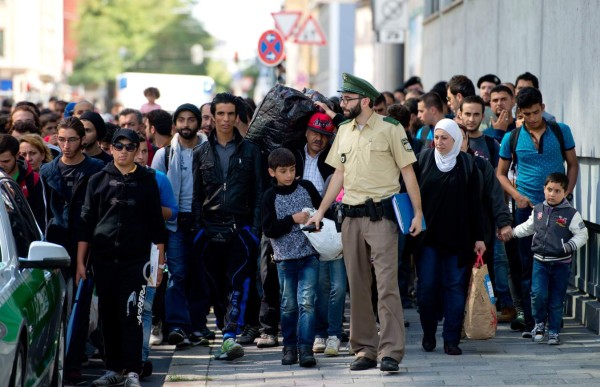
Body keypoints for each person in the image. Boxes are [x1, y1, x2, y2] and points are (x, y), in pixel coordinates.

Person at [307, 73, 423, 372]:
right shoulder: (343, 130)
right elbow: (339, 176)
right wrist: (321, 211)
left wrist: (418, 214)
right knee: (357, 287)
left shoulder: (391, 128)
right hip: (350, 218)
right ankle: (364, 350)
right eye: (342, 98)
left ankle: (391, 352)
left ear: (366, 101)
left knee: (386, 286)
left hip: (381, 217)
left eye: (347, 99)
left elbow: (408, 173)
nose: (342, 103)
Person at [76, 129, 166, 387]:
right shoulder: (98, 179)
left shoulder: (147, 179)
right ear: (111, 148)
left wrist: (159, 265)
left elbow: (157, 225)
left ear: (138, 150)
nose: (124, 151)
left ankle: (133, 370)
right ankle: (113, 368)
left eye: (130, 147)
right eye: (119, 146)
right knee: (109, 314)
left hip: (136, 261)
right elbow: (86, 223)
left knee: (134, 314)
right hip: (103, 259)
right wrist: (81, 263)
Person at [496, 87, 579, 337]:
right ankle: (533, 320)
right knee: (526, 264)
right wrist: (517, 195)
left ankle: (552, 317)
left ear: (543, 107)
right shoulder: (511, 138)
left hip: (557, 210)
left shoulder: (560, 130)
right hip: (526, 209)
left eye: (535, 112)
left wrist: (568, 193)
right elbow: (499, 173)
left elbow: (573, 165)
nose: (532, 118)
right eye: (526, 114)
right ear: (519, 113)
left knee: (557, 262)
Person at [192, 93, 263, 360]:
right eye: (219, 114)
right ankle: (225, 332)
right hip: (209, 230)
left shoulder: (251, 151)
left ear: (237, 117)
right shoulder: (200, 152)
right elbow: (196, 196)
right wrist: (199, 230)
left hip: (241, 229)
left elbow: (258, 194)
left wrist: (253, 232)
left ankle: (231, 336)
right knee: (215, 287)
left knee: (238, 284)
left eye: (230, 114)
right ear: (211, 117)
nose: (224, 119)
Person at [40, 116, 104, 385]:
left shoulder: (96, 169)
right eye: (61, 139)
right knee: (54, 306)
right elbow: (41, 211)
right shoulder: (47, 171)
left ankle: (74, 362)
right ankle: (54, 360)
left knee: (81, 309)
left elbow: (96, 213)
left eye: (72, 140)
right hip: (53, 244)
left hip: (87, 244)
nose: (65, 145)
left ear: (83, 140)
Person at [415, 118, 486, 356]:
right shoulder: (424, 160)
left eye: (445, 138)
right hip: (428, 241)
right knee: (426, 288)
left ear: (456, 140)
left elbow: (477, 204)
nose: (439, 142)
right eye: (436, 137)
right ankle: (428, 332)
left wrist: (479, 237)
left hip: (459, 240)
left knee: (455, 288)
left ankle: (451, 339)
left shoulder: (467, 164)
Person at [152, 103, 213, 349]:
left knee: (201, 275)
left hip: (202, 221)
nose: (186, 125)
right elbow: (154, 190)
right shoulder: (164, 154)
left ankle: (197, 325)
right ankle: (177, 326)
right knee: (177, 275)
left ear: (198, 123)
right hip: (174, 222)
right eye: (182, 120)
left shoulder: (210, 150)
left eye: (191, 120)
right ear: (175, 124)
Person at [506, 172, 588, 345]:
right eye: (549, 189)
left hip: (561, 265)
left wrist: (567, 247)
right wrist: (512, 233)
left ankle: (554, 331)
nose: (552, 194)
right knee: (538, 294)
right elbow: (528, 228)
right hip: (540, 263)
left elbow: (582, 234)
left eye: (557, 191)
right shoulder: (538, 211)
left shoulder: (571, 214)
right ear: (544, 189)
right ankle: (539, 324)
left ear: (565, 193)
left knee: (557, 299)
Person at [262, 148, 322, 367]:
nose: (289, 175)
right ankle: (289, 347)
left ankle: (306, 348)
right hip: (285, 260)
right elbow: (269, 229)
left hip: (309, 256)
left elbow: (323, 212)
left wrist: (318, 224)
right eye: (283, 171)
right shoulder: (270, 196)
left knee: (307, 302)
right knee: (288, 305)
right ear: (272, 172)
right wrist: (292, 219)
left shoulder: (306, 188)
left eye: (292, 169)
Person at [133, 134, 178, 379]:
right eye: (133, 150)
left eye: (142, 151)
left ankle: (140, 359)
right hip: (121, 254)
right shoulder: (109, 178)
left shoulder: (157, 179)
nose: (138, 156)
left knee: (145, 306)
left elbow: (172, 213)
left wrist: (151, 207)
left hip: (151, 251)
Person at [0, 134, 46, 229]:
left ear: (17, 155)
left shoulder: (34, 180)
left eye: (5, 161)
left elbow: (40, 219)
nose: (1, 166)